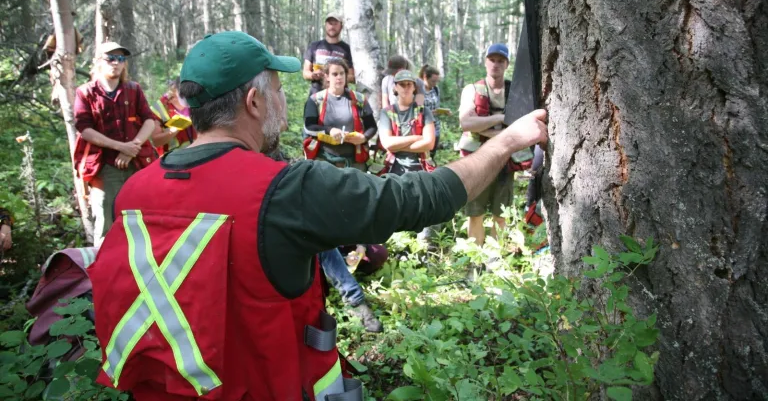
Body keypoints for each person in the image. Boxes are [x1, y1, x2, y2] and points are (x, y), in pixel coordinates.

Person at [88, 30, 547, 400]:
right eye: (276, 89)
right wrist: (506, 142)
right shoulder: (286, 189)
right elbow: (418, 199)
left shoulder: (134, 192)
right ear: (253, 102)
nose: (286, 101)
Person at [303, 58, 384, 332]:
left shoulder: (359, 100)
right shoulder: (316, 100)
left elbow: (372, 127)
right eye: (333, 74)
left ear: (347, 76)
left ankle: (358, 255)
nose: (338, 78)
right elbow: (308, 127)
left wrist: (363, 138)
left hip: (355, 163)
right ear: (326, 77)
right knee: (328, 214)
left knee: (356, 210)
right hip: (326, 162)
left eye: (342, 74)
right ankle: (341, 267)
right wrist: (329, 131)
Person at [73, 41, 157, 247]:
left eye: (121, 59)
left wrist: (133, 147)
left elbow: (149, 120)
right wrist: (120, 147)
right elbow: (84, 129)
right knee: (105, 218)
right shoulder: (85, 92)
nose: (116, 63)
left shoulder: (133, 89)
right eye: (110, 58)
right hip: (104, 167)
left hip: (137, 164)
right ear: (98, 61)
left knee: (142, 216)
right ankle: (103, 269)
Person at [458, 43, 518, 247]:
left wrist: (482, 127)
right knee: (475, 213)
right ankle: (476, 261)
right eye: (492, 60)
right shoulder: (472, 89)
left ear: (507, 64)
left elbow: (519, 122)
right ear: (485, 62)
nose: (496, 64)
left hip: (505, 158)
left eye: (501, 60)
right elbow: (466, 122)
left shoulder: (514, 90)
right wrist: (501, 118)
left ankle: (495, 260)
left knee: (501, 214)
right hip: (477, 160)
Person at [378, 70, 435, 176]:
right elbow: (387, 143)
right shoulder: (386, 113)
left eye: (409, 84)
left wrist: (396, 146)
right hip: (392, 168)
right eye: (402, 84)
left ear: (414, 87)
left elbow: (429, 144)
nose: (406, 87)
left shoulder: (424, 111)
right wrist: (417, 138)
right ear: (395, 87)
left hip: (420, 167)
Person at [302, 12, 354, 95]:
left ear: (341, 26)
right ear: (325, 25)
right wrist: (313, 75)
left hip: (339, 96)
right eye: (330, 23)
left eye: (335, 24)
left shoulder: (347, 49)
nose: (332, 27)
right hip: (316, 94)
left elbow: (352, 77)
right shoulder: (314, 46)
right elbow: (305, 73)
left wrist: (335, 77)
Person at [150, 78, 197, 156]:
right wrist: (176, 128)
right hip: (173, 158)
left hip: (196, 152)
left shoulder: (194, 100)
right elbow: (156, 141)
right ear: (175, 92)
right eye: (184, 96)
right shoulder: (159, 108)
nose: (187, 100)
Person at [419, 65, 449, 159]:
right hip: (423, 128)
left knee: (432, 154)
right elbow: (417, 110)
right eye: (433, 81)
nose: (435, 83)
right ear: (425, 77)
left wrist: (442, 112)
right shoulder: (419, 91)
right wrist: (430, 113)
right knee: (423, 155)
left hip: (436, 126)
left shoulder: (435, 89)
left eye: (436, 81)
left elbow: (437, 106)